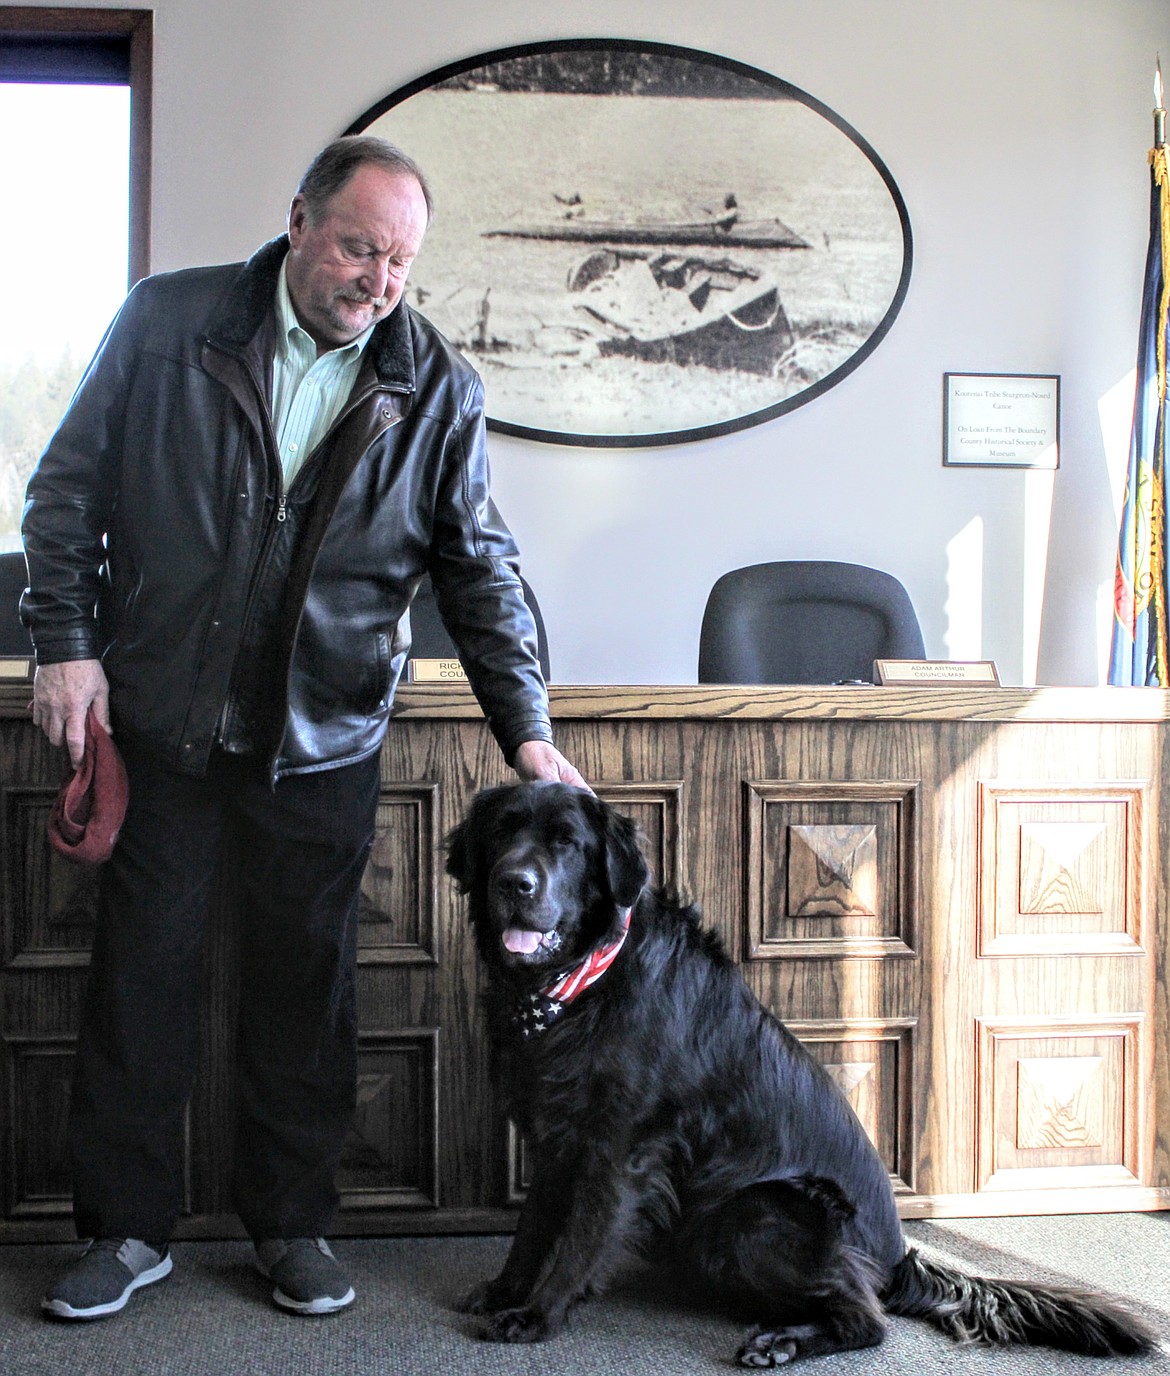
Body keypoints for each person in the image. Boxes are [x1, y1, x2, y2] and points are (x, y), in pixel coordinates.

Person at [22, 135, 586, 1322]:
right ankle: (125, 1229)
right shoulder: (168, 322)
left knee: (305, 992)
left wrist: (528, 732)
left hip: (322, 740)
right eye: (359, 245)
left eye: (401, 260)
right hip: (166, 726)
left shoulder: (436, 385)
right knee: (141, 982)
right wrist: (65, 640)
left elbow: (478, 570)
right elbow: (65, 490)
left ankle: (290, 1224)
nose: (378, 278)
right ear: (298, 222)